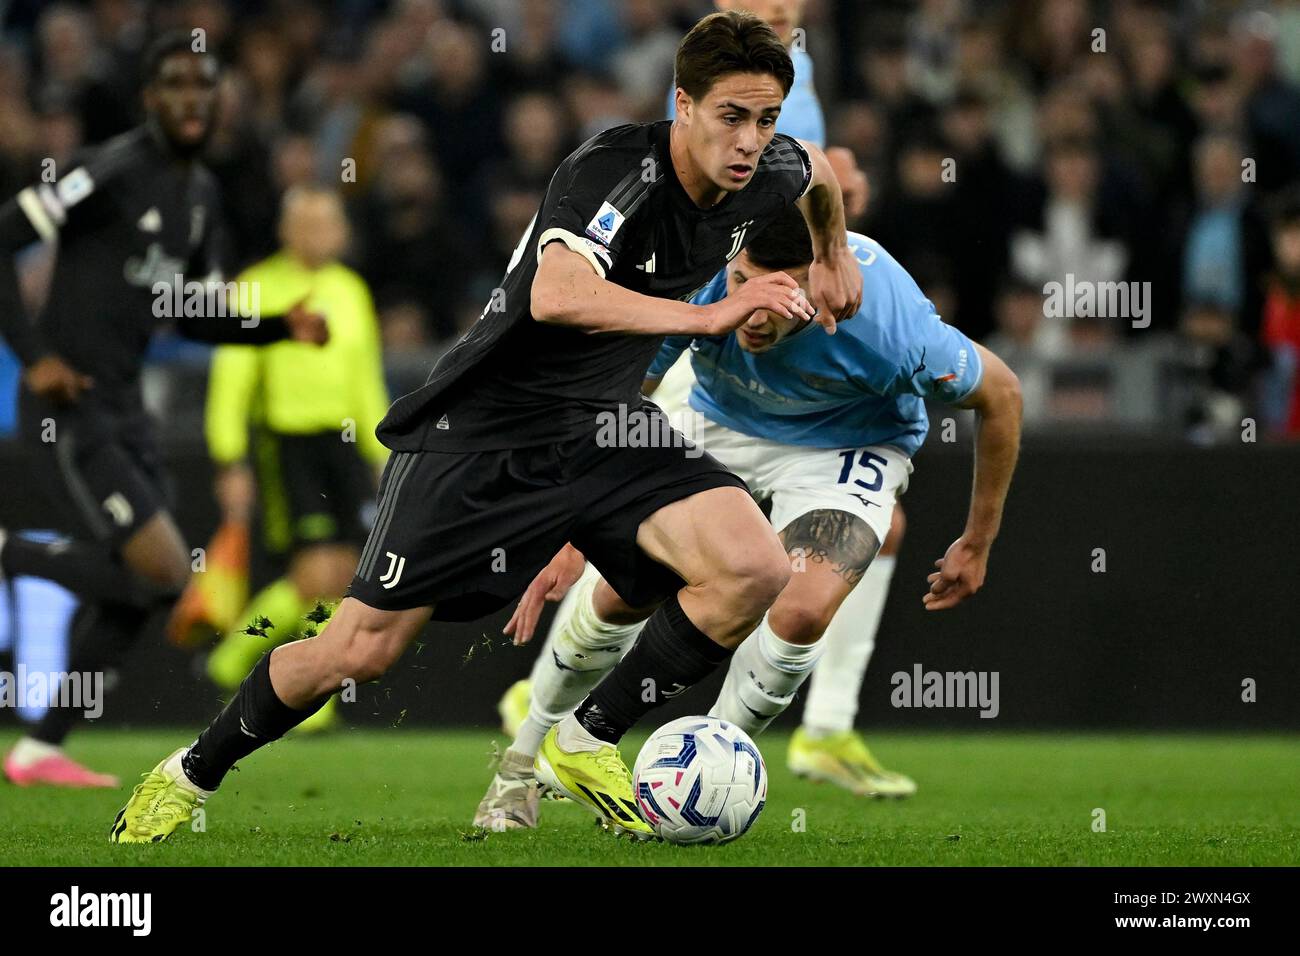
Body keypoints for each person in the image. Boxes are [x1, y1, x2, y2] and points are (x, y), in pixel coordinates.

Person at [110, 10, 861, 843]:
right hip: (485, 431)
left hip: (606, 428)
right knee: (359, 650)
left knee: (753, 567)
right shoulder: (617, 168)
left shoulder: (771, 166)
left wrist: (833, 255)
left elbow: (816, 169)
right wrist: (712, 315)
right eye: (731, 116)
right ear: (681, 103)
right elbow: (558, 297)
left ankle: (584, 738)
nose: (751, 140)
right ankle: (188, 773)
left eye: (764, 118)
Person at [476, 207, 1022, 830]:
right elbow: (629, 394)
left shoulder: (889, 328)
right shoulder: (704, 273)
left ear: (821, 284)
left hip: (845, 445)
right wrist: (574, 526)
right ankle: (519, 770)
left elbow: (1001, 394)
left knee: (802, 609)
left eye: (780, 294)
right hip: (716, 423)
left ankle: (689, 785)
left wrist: (977, 540)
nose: (754, 315)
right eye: (743, 285)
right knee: (623, 592)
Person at [495, 0, 903, 799]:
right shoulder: (697, 99)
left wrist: (828, 240)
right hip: (677, 316)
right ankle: (540, 714)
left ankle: (804, 729)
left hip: (750, 313)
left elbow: (805, 171)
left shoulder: (789, 79)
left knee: (844, 542)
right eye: (764, 5)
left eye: (791, 6)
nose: (781, 14)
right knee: (633, 561)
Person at [0, 33, 326, 788]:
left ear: (218, 101)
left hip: (125, 407)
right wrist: (35, 356)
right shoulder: (104, 171)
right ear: (150, 97)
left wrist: (280, 326)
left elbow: (192, 313)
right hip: (69, 401)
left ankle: (40, 746)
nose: (191, 99)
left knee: (150, 584)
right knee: (164, 569)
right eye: (174, 84)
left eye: (204, 85)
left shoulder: (200, 196)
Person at [202, 186, 389, 732]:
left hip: (343, 445)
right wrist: (229, 458)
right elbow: (230, 383)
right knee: (312, 573)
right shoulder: (257, 287)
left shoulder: (350, 290)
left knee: (345, 578)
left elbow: (365, 380)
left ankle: (290, 679)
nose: (321, 233)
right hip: (288, 444)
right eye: (308, 223)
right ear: (287, 230)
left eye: (329, 223)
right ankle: (244, 656)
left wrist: (380, 454)